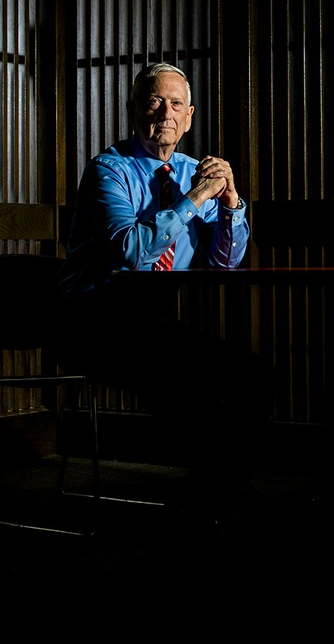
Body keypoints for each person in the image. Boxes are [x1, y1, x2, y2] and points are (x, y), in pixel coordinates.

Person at [55, 61, 265, 506]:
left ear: (189, 116)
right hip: (94, 319)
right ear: (134, 111)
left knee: (254, 375)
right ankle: (207, 497)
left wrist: (230, 204)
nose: (164, 113)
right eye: (154, 101)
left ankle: (222, 487)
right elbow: (131, 252)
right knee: (179, 378)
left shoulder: (198, 172)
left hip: (151, 320)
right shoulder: (108, 170)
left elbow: (226, 263)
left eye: (175, 104)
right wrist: (194, 200)